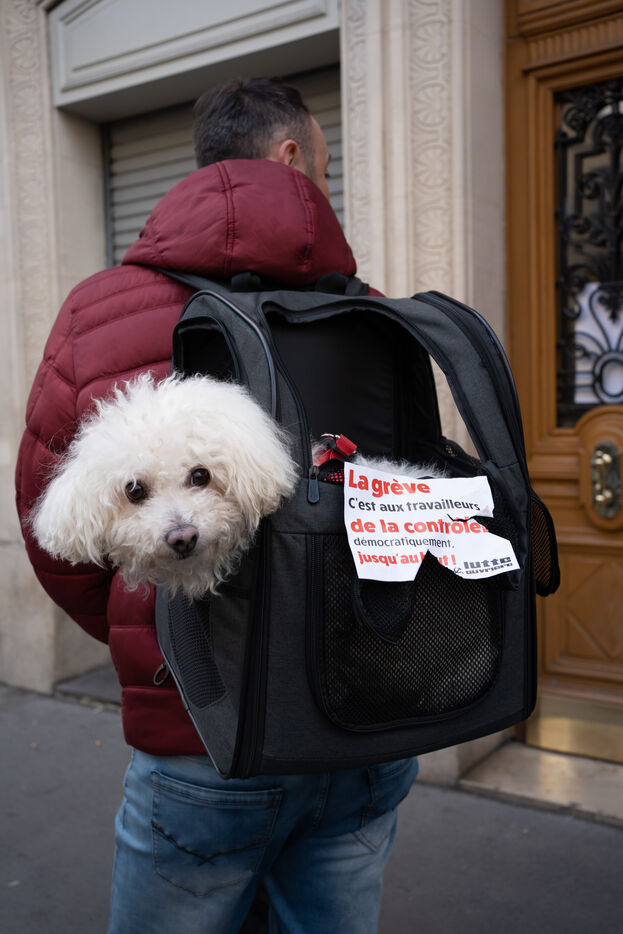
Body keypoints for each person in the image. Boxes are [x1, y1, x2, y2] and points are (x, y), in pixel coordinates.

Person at [16, 78, 417, 933]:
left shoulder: (96, 310)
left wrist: (168, 641)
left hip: (197, 727)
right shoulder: (368, 312)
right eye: (326, 166)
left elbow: (51, 537)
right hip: (361, 715)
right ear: (292, 158)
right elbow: (409, 498)